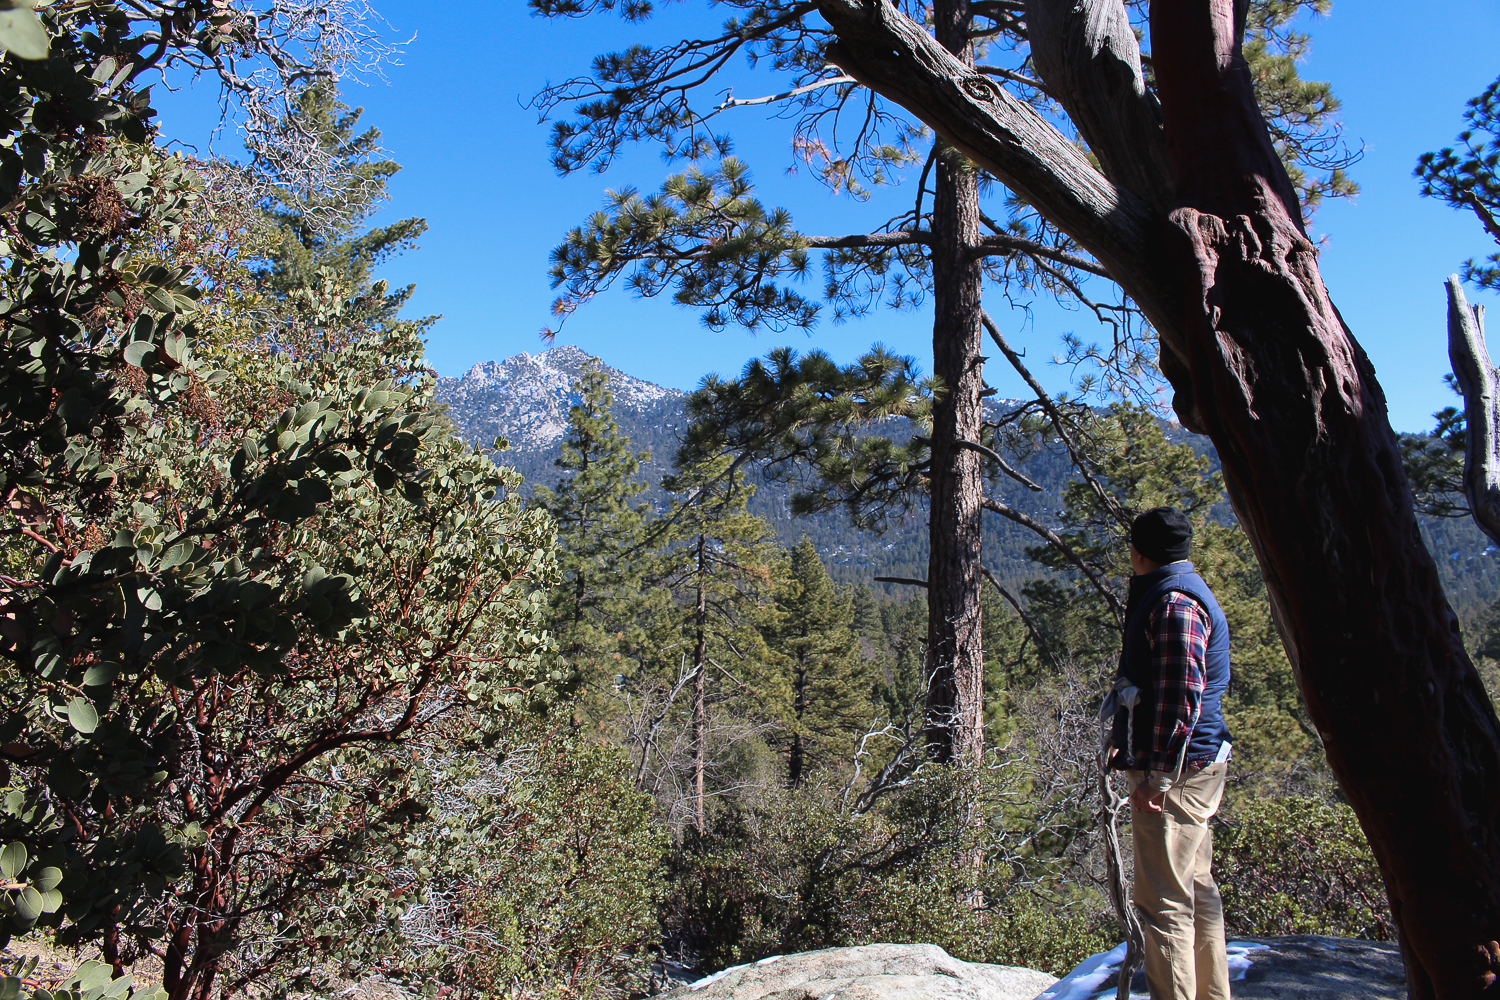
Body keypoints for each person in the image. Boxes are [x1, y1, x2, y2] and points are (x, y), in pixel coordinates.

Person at [1108, 506, 1233, 1000]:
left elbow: (1182, 690)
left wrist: (1157, 777)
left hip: (1176, 774)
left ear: (1139, 553)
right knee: (1197, 893)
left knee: (1164, 905)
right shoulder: (1183, 592)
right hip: (1197, 763)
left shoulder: (1173, 603)